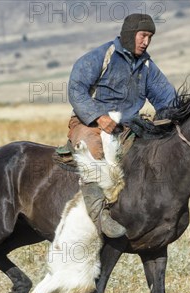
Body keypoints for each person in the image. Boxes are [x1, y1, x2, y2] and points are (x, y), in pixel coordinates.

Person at [67, 13, 177, 238]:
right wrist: (98, 116)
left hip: (127, 127)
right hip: (89, 123)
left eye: (150, 37)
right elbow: (76, 89)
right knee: (93, 148)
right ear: (129, 34)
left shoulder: (147, 66)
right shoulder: (102, 56)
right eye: (143, 35)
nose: (146, 42)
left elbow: (167, 98)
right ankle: (99, 216)